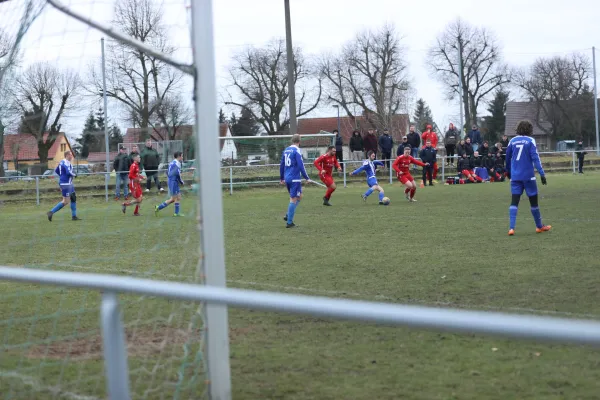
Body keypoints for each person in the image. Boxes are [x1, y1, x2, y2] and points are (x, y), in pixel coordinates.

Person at [505, 120, 550, 236]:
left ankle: (511, 228)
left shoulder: (512, 141)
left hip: (515, 177)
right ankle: (539, 226)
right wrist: (542, 174)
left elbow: (507, 158)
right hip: (528, 177)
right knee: (534, 203)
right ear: (529, 129)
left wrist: (508, 172)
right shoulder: (530, 141)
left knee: (514, 201)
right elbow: (535, 158)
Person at [280, 134, 312, 228]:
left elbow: (282, 165)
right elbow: (301, 165)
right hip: (294, 178)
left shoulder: (286, 150)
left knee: (300, 196)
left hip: (287, 177)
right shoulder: (297, 150)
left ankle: (288, 214)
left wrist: (282, 178)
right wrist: (307, 177)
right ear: (299, 141)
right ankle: (289, 222)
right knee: (293, 199)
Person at [47, 150, 80, 222]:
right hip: (65, 184)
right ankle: (51, 212)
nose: (72, 156)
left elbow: (56, 170)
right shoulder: (65, 162)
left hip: (69, 183)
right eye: (70, 155)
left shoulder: (64, 162)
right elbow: (68, 173)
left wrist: (62, 176)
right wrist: (75, 174)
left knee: (73, 198)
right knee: (65, 201)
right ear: (67, 155)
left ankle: (74, 216)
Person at [155, 151, 185, 217]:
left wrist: (170, 179)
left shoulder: (172, 162)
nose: (182, 157)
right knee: (175, 198)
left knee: (175, 198)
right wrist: (181, 182)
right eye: (182, 156)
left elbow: (167, 172)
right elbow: (178, 174)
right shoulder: (177, 164)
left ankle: (159, 208)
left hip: (172, 181)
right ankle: (175, 213)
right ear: (179, 156)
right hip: (173, 182)